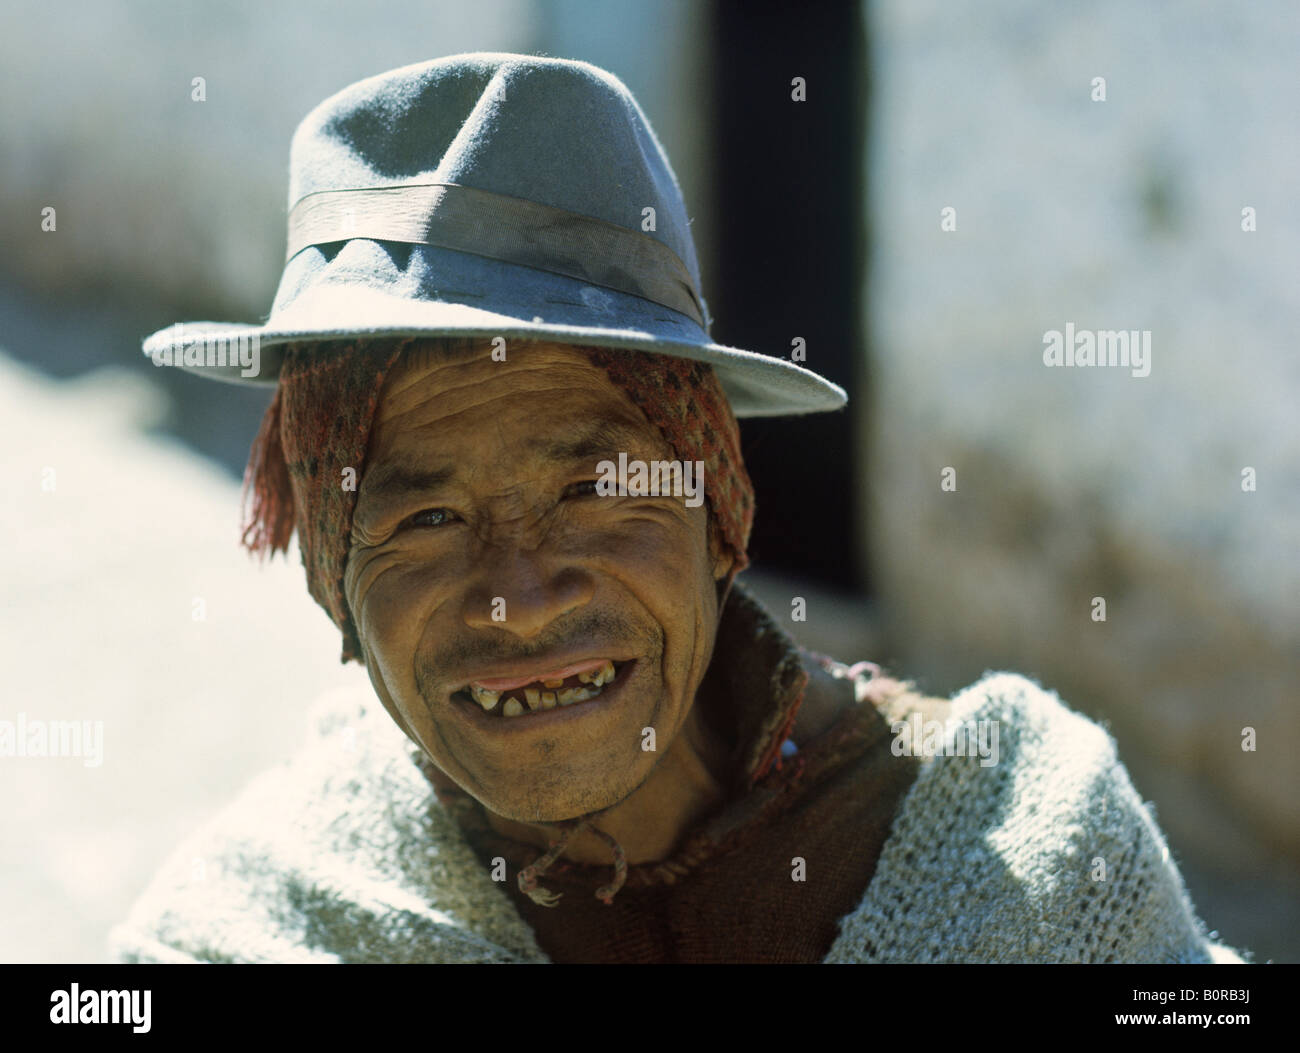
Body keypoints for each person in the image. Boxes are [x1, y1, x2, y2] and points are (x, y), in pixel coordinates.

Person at [111, 52, 1245, 964]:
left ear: (718, 506)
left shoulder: (1035, 873)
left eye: (599, 493)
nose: (519, 600)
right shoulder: (250, 928)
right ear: (327, 572)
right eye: (425, 521)